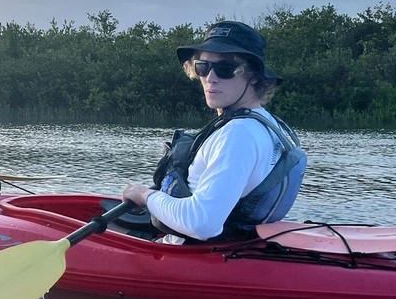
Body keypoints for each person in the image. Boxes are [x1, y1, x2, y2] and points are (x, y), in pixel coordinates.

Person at [121, 21, 306, 242]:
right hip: (229, 248)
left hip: (191, 255)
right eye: (203, 67)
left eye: (225, 69)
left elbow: (202, 224)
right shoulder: (268, 123)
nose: (210, 78)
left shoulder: (238, 134)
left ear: (254, 75)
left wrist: (144, 195)